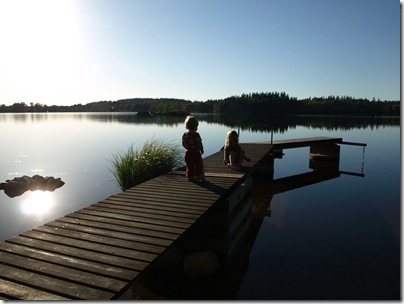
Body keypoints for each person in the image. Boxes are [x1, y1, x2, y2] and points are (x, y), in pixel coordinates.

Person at [182, 115, 205, 182]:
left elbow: (183, 143)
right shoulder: (196, 134)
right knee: (198, 166)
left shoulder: (185, 135)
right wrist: (202, 149)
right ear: (196, 126)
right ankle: (199, 177)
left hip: (188, 153)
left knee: (190, 166)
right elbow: (199, 143)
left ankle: (190, 177)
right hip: (196, 153)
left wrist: (188, 148)